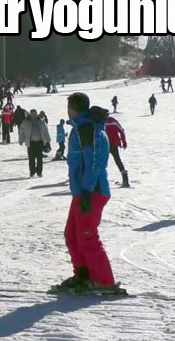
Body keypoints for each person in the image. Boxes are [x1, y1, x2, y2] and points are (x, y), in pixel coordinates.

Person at [55, 92, 117, 293]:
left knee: (87, 235)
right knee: (71, 234)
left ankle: (104, 280)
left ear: (73, 109)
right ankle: (83, 274)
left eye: (69, 108)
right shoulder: (82, 127)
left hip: (92, 191)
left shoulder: (86, 128)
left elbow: (94, 162)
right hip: (81, 191)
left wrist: (88, 191)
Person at [19, 109, 51, 177]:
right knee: (31, 158)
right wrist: (21, 140)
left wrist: (48, 140)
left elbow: (45, 131)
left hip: (39, 142)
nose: (33, 115)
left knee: (39, 158)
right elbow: (21, 131)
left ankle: (39, 172)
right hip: (30, 143)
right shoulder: (25, 122)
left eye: (34, 113)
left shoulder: (41, 121)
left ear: (36, 114)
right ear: (30, 114)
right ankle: (32, 172)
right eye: (32, 113)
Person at [105, 112, 129, 187]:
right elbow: (121, 130)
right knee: (118, 160)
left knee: (102, 162)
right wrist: (123, 141)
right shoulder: (113, 121)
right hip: (114, 144)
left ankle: (98, 181)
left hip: (105, 144)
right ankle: (125, 179)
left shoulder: (100, 122)